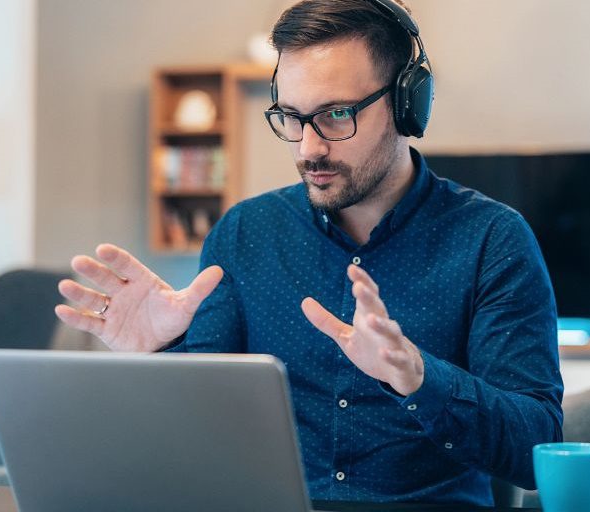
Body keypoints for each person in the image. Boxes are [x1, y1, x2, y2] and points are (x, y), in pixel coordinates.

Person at [55, 0, 563, 506]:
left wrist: (418, 377)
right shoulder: (243, 234)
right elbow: (203, 435)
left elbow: (536, 449)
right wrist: (158, 357)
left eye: (336, 115)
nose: (307, 148)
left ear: (408, 104)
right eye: (292, 117)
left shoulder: (493, 240)